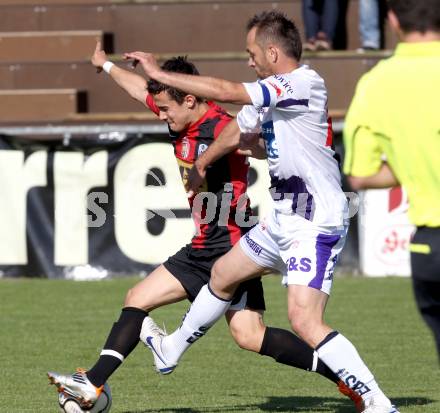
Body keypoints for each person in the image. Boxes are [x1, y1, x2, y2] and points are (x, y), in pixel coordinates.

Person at [47, 42, 361, 410]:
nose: (162, 115)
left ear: (191, 100)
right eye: (160, 108)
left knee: (139, 300)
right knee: (249, 334)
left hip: (225, 242)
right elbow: (141, 92)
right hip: (217, 240)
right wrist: (107, 66)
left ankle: (93, 382)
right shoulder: (180, 115)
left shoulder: (222, 128)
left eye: (167, 109)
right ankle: (345, 378)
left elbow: (259, 138)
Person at [125, 10, 399, 413]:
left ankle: (377, 402)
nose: (249, 61)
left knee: (304, 321)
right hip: (285, 217)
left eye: (252, 53)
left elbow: (225, 91)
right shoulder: (270, 92)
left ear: (272, 52)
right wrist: (203, 163)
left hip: (314, 219)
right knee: (222, 273)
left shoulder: (303, 82)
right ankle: (170, 348)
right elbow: (238, 132)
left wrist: (159, 73)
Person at [344, 0, 440, 360]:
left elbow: (361, 175)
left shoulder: (376, 83)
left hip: (432, 248)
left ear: (393, 20)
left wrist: (417, 161)